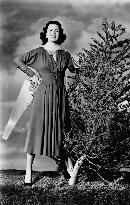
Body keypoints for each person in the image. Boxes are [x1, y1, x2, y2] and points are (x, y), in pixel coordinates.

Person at [13, 20, 77, 185]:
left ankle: (70, 169)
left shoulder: (65, 54)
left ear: (60, 33)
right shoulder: (39, 52)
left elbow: (74, 69)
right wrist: (31, 74)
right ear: (46, 33)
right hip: (43, 95)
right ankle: (28, 172)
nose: (54, 32)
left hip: (61, 96)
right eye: (51, 30)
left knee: (62, 131)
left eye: (56, 30)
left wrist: (79, 67)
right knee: (36, 130)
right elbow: (18, 60)